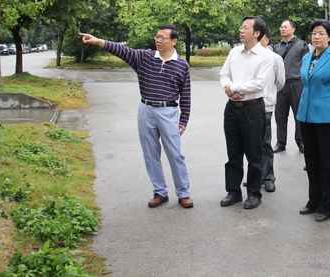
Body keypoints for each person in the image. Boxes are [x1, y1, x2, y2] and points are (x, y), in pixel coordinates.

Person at [79, 26, 193, 209]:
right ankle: (160, 192)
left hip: (168, 111)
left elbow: (185, 95)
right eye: (157, 37)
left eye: (162, 38)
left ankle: (183, 193)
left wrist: (184, 119)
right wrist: (98, 41)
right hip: (146, 110)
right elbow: (121, 50)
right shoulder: (144, 57)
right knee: (150, 153)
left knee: (175, 154)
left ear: (174, 41)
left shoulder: (181, 65)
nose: (158, 40)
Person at [297, 19, 330, 222]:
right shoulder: (306, 57)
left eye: (321, 33)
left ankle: (326, 207)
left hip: (327, 118)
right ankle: (314, 200)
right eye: (313, 33)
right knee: (311, 161)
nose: (316, 37)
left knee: (327, 164)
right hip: (306, 116)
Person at [219, 16, 272, 210]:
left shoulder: (265, 56)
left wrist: (234, 87)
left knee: (254, 153)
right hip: (232, 108)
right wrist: (228, 89)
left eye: (245, 28)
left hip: (252, 108)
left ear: (257, 33)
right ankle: (233, 191)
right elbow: (223, 74)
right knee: (233, 152)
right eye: (241, 27)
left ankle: (254, 193)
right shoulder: (234, 52)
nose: (241, 30)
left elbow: (259, 83)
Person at [273, 19, 309, 153]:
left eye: (285, 27)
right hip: (280, 85)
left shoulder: (302, 45)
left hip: (297, 84)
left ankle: (301, 142)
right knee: (280, 116)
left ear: (293, 29)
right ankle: (280, 143)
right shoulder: (277, 46)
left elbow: (307, 65)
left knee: (299, 116)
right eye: (281, 27)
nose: (282, 29)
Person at [259, 27, 285, 192]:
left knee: (265, 143)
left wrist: (270, 93)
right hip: (249, 104)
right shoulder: (249, 57)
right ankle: (256, 175)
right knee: (251, 144)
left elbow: (280, 82)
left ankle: (268, 177)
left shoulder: (275, 58)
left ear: (266, 40)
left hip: (265, 105)